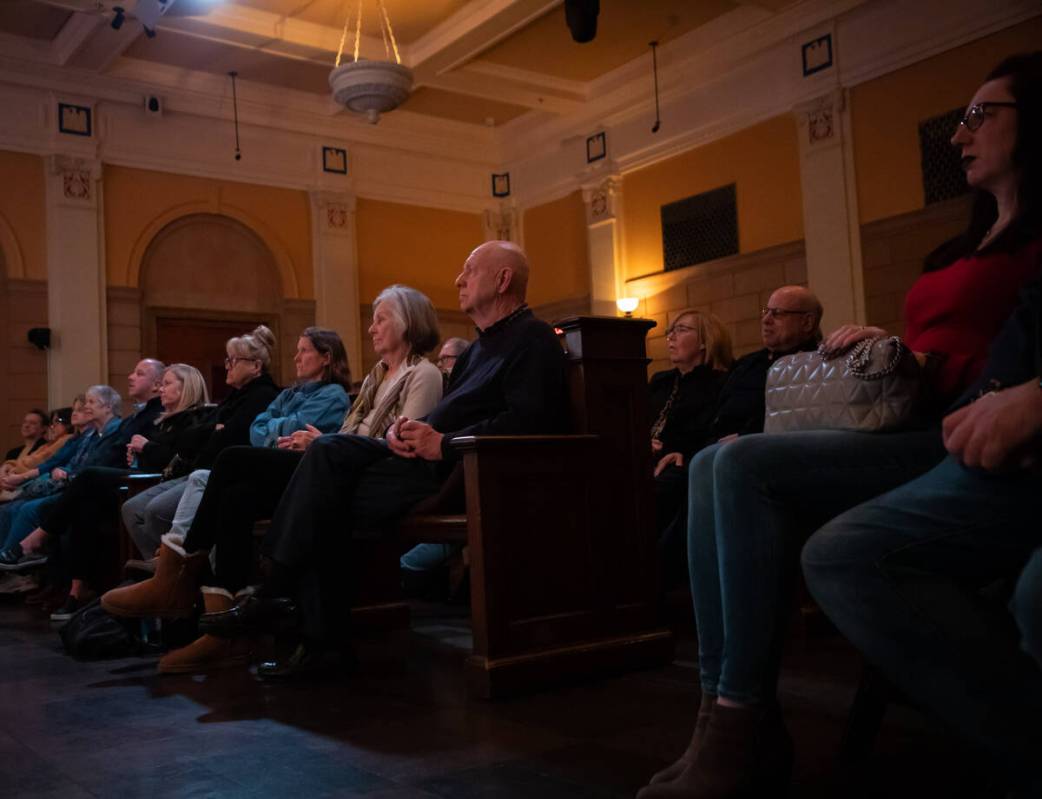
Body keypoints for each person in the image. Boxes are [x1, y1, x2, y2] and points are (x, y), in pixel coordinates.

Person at [639, 51, 1042, 799]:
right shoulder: (960, 246)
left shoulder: (1032, 249)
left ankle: (742, 715)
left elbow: (997, 362)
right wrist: (890, 352)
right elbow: (935, 354)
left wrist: (933, 369)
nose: (960, 135)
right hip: (915, 414)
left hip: (965, 426)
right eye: (961, 119)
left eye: (981, 116)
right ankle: (722, 713)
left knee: (739, 463)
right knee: (709, 464)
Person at [193, 241, 567, 679]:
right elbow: (447, 415)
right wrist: (405, 430)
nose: (458, 280)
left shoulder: (533, 338)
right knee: (310, 486)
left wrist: (443, 442)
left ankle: (274, 594)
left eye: (470, 270)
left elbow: (530, 421)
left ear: (503, 280)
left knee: (326, 461)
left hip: (460, 470)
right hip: (418, 455)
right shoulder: (481, 348)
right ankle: (311, 637)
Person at [103, 289, 444, 674]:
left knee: (232, 461)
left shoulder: (424, 373)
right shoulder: (375, 379)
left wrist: (325, 442)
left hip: (369, 474)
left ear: (408, 322)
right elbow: (271, 428)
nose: (371, 328)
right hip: (336, 464)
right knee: (237, 495)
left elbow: (401, 442)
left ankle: (183, 578)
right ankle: (221, 627)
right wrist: (324, 442)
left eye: (381, 318)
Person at [802, 275, 1042, 797]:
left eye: (781, 311)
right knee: (723, 464)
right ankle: (730, 708)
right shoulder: (972, 249)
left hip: (952, 423)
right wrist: (905, 355)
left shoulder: (1020, 244)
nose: (766, 319)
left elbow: (989, 359)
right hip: (954, 412)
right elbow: (1008, 351)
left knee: (1033, 595)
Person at [16, 364, 210, 621]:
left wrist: (146, 447)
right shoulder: (162, 420)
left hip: (165, 484)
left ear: (187, 388)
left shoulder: (194, 419)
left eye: (167, 383)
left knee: (88, 481)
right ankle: (74, 588)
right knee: (83, 508)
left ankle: (163, 574)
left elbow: (181, 459)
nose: (161, 388)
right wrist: (139, 454)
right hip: (145, 482)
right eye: (161, 383)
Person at [121, 326, 281, 560]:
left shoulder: (262, 396)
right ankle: (165, 573)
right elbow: (189, 438)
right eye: (228, 360)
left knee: (155, 512)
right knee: (131, 509)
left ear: (255, 367)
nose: (227, 365)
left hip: (215, 475)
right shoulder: (234, 397)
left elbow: (229, 437)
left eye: (234, 361)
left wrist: (211, 433)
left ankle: (180, 573)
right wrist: (212, 432)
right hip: (197, 470)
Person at [650, 310, 733, 592]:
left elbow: (719, 433)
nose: (671, 336)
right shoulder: (660, 381)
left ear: (704, 342)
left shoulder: (721, 382)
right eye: (670, 330)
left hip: (689, 461)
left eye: (681, 330)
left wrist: (682, 452)